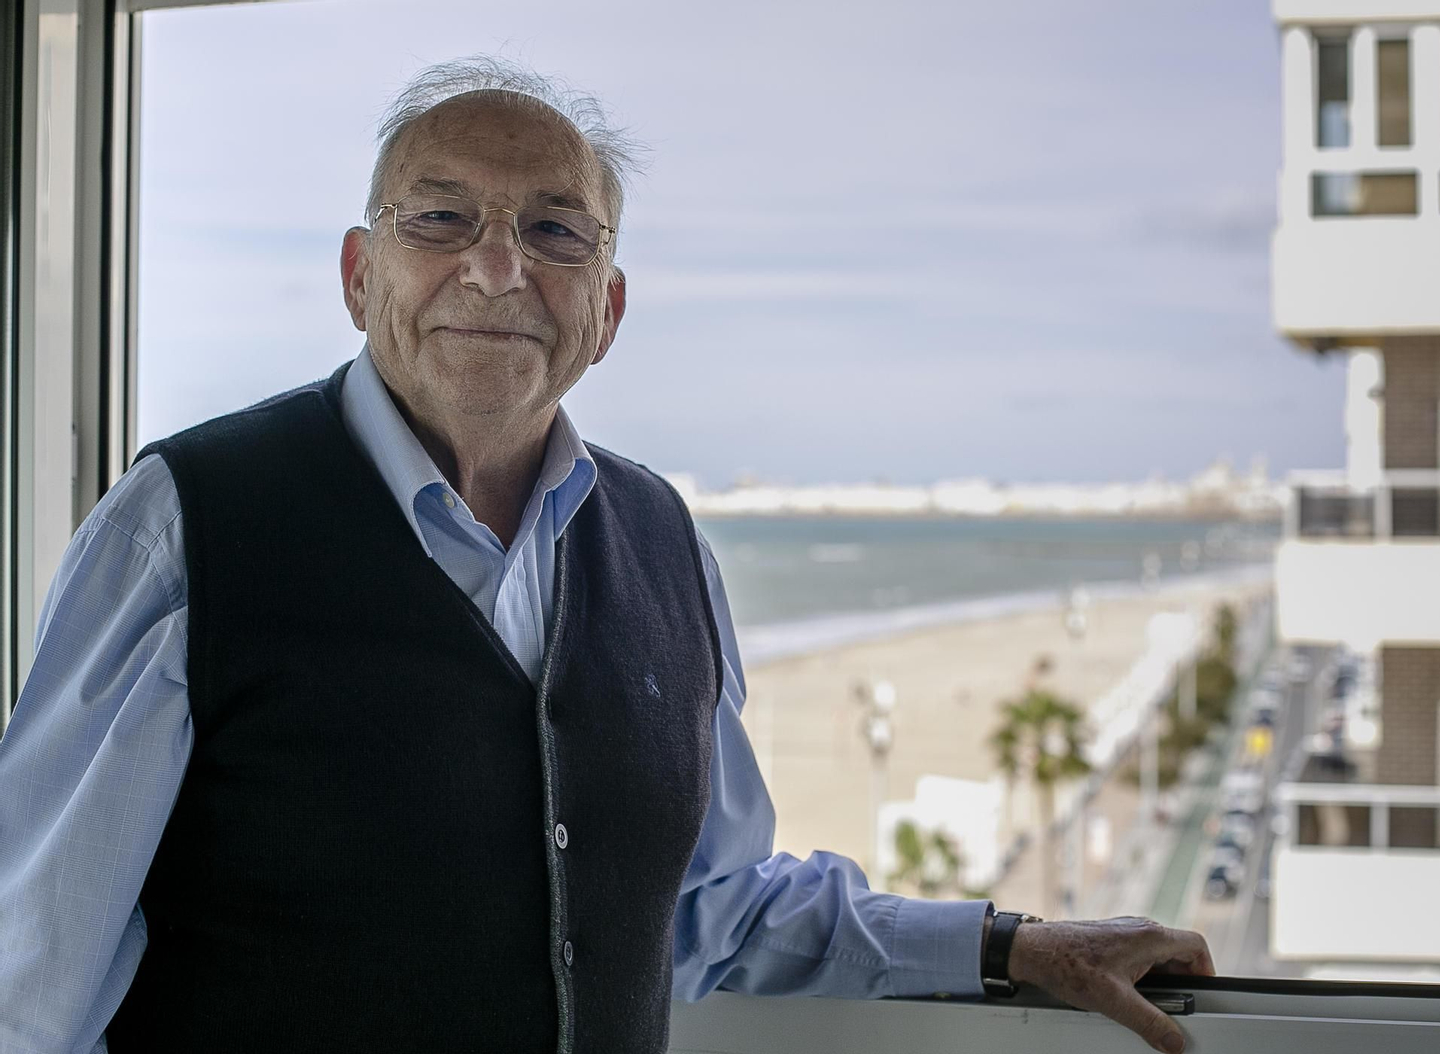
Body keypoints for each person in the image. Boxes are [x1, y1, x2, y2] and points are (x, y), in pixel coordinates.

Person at [0, 57, 1213, 1054]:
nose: (496, 265)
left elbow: (709, 906)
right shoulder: (186, 520)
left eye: (553, 230)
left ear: (608, 309)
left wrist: (1009, 945)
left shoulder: (663, 540)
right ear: (361, 276)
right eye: (440, 218)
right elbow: (33, 979)